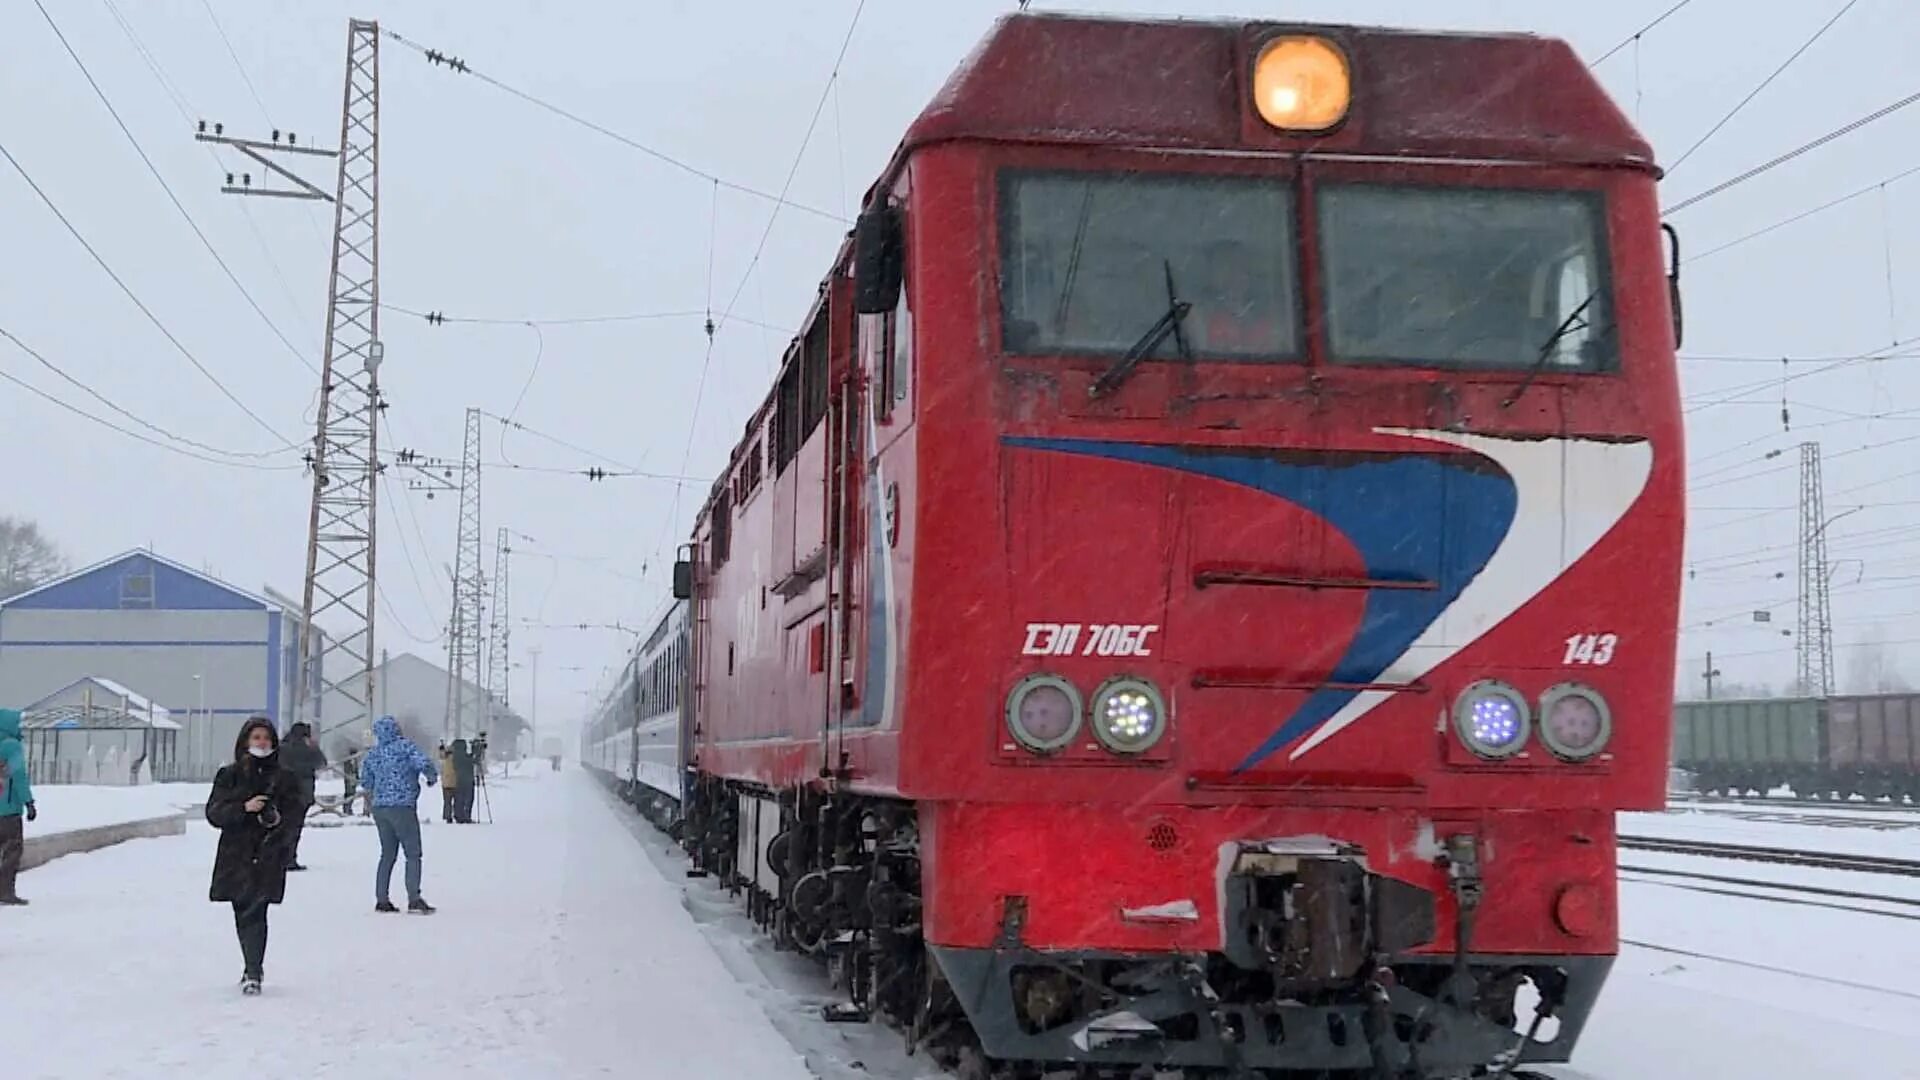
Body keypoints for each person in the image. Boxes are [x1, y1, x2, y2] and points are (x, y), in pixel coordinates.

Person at [206, 717, 304, 994]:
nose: (261, 743)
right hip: (236, 854)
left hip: (267, 853)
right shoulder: (230, 775)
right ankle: (250, 964)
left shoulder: (285, 778)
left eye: (266, 738)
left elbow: (295, 815)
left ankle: (253, 970)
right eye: (256, 738)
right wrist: (244, 808)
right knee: (242, 909)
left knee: (257, 910)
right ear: (245, 741)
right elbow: (214, 813)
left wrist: (277, 824)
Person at [358, 716, 437, 914]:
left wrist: (374, 795)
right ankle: (414, 898)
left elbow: (365, 781)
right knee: (412, 853)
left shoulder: (373, 754)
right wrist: (431, 777)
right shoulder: (405, 747)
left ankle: (382, 899)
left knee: (387, 854)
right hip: (402, 807)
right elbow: (424, 762)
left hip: (380, 808)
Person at [0, 708, 38, 906]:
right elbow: (19, 776)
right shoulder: (11, 746)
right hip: (8, 811)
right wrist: (29, 802)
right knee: (11, 852)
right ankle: (5, 891)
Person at [279, 721, 326, 870]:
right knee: (294, 829)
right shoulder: (307, 749)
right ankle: (290, 858)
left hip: (283, 793)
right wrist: (314, 747)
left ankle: (280, 857)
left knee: (282, 828)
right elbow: (321, 762)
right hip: (302, 794)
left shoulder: (282, 747)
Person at [449, 738, 476, 824]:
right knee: (468, 798)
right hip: (468, 780)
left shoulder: (455, 756)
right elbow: (473, 761)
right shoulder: (463, 756)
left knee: (459, 798)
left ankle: (458, 815)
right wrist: (476, 751)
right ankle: (466, 816)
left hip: (458, 780)